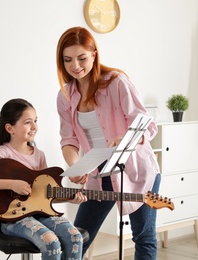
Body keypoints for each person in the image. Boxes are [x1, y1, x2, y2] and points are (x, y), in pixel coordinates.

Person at [55, 27, 161, 259]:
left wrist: (125, 139)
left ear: (94, 54)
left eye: (82, 58)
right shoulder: (65, 96)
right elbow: (69, 139)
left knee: (143, 237)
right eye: (68, 60)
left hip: (135, 170)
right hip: (97, 174)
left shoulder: (117, 82)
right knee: (77, 238)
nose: (75, 66)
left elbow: (148, 126)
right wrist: (76, 167)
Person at [0, 98, 87, 260]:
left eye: (35, 121)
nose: (34, 127)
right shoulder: (2, 153)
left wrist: (71, 199)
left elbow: (43, 196)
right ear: (10, 128)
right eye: (27, 122)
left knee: (75, 237)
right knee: (51, 241)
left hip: (41, 215)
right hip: (13, 218)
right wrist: (12, 184)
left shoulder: (39, 155)